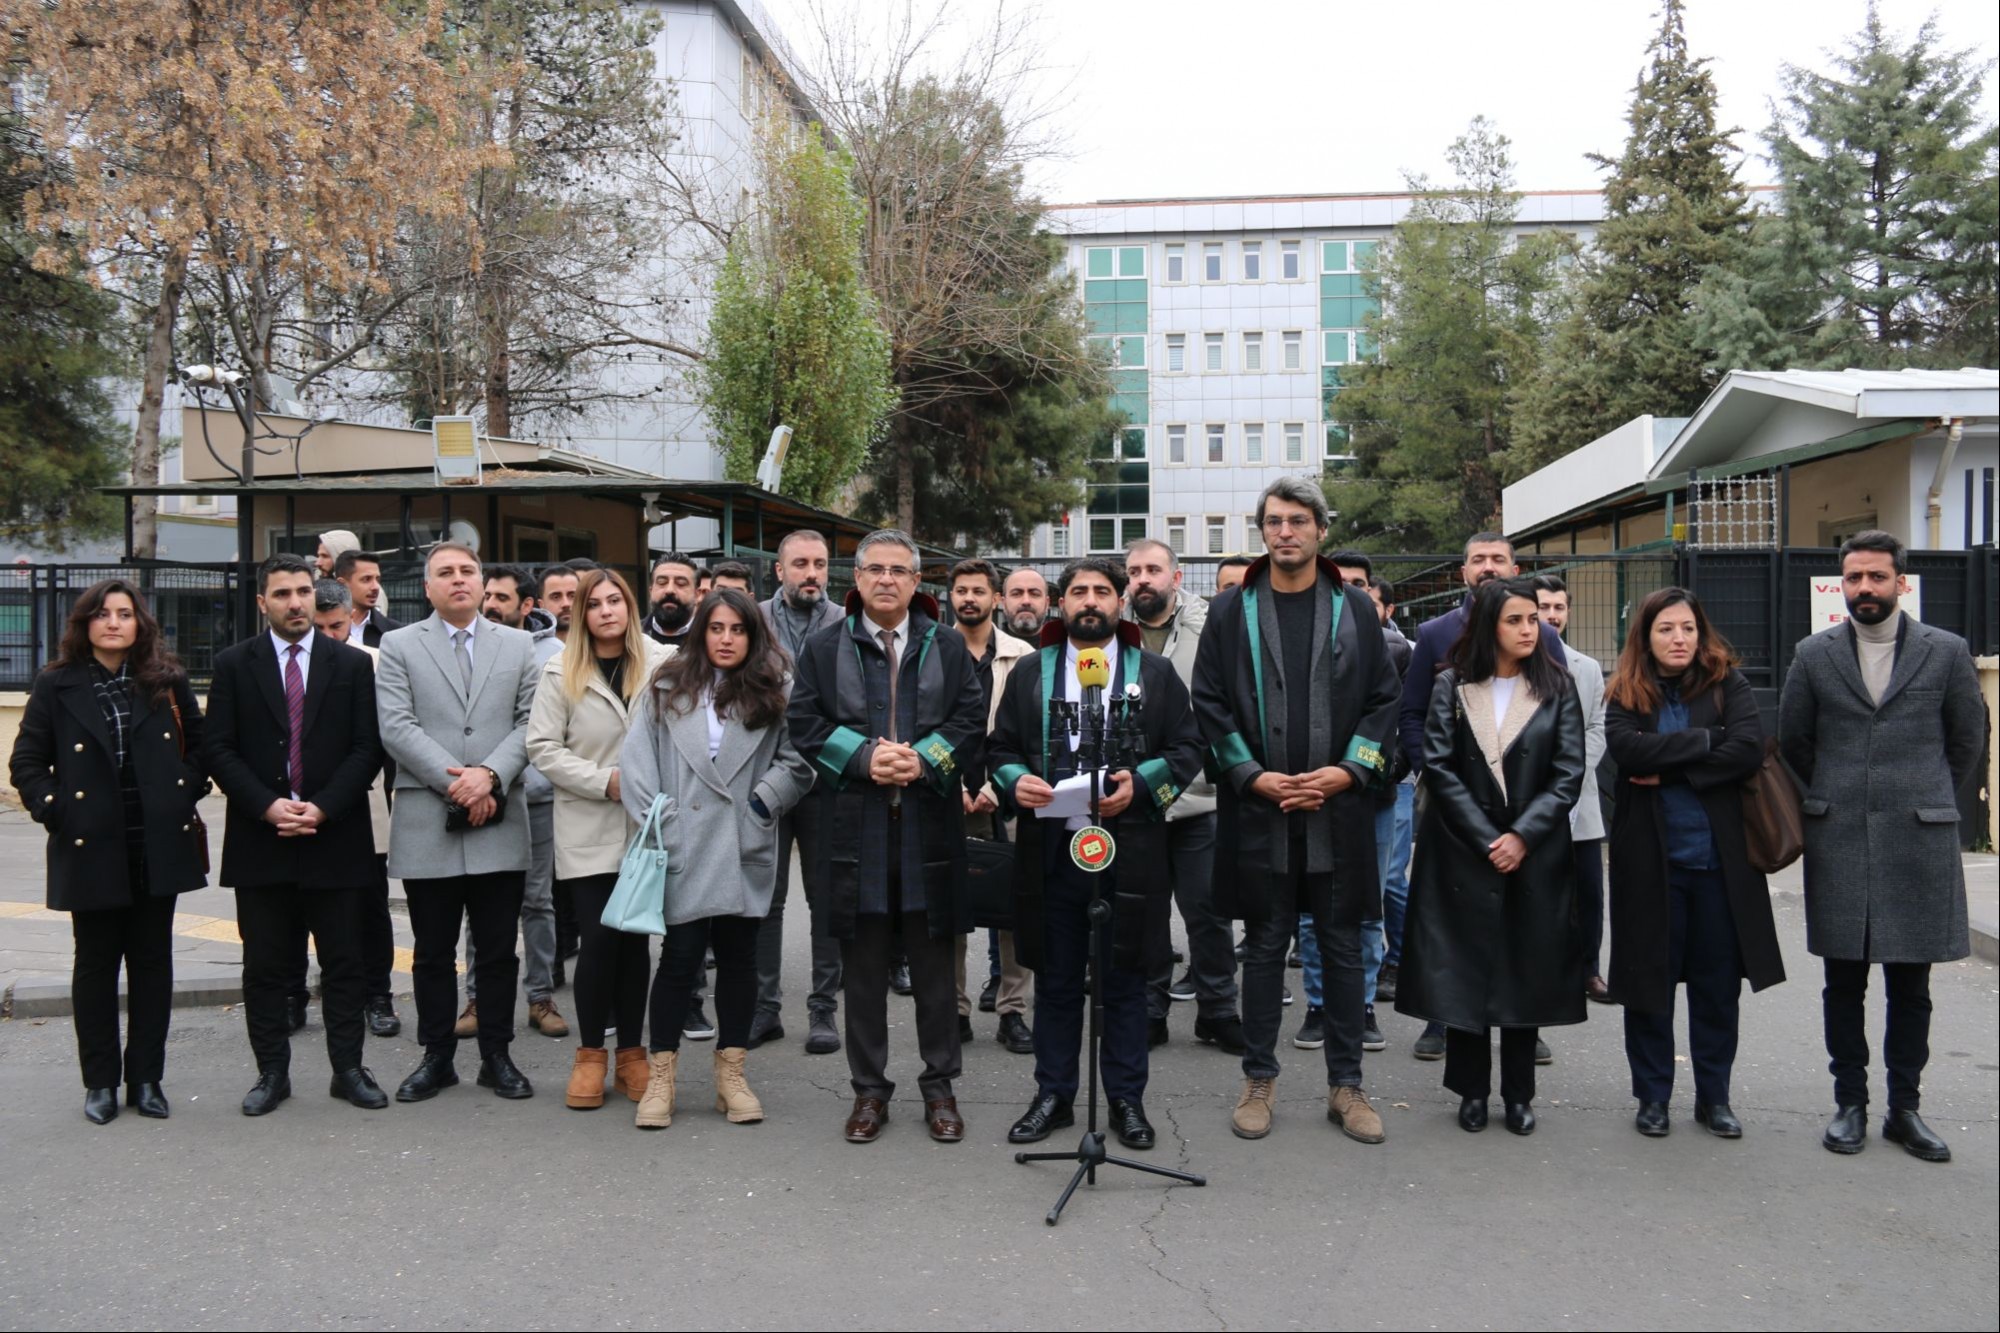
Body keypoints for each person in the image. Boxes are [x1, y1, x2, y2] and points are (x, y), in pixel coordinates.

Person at [1192, 477, 1400, 1145]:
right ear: (1263, 531)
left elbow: (1383, 700)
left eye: (1299, 520)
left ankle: (1347, 1084)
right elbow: (1210, 701)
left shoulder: (1355, 609)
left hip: (1336, 813)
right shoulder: (1233, 610)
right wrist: (1253, 776)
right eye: (1275, 521)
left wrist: (1346, 771)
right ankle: (1259, 1078)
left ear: (1320, 530)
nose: (1287, 531)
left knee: (1341, 949)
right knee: (1262, 948)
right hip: (1260, 812)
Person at [1779, 530, 1985, 1163]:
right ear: (1841, 585)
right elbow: (1794, 741)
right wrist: (1836, 797)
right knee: (1843, 983)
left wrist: (1923, 797)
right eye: (1853, 578)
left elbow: (1966, 740)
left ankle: (1905, 1110)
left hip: (1917, 839)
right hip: (1838, 834)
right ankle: (1850, 1105)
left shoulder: (1945, 652)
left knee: (1910, 986)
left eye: (1875, 577)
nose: (1864, 588)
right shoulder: (1814, 654)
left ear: (1902, 583)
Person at [992, 558, 1205, 1150]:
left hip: (1130, 847)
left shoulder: (1156, 674)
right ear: (1062, 604)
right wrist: (1016, 782)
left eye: (1102, 592)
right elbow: (1000, 747)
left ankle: (1126, 1099)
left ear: (1120, 603)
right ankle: (1055, 1094)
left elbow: (1188, 746)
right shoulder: (1034, 672)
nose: (1090, 601)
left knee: (1127, 978)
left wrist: (1142, 784)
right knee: (1057, 977)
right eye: (1079, 591)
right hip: (1051, 846)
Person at [787, 528, 987, 1145]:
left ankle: (940, 1087)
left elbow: (970, 717)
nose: (886, 580)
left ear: (916, 580)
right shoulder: (825, 646)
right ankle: (869, 1091)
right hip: (855, 826)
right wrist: (865, 758)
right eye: (875, 569)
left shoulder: (946, 644)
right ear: (858, 576)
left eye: (899, 571)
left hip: (928, 824)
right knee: (865, 970)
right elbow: (806, 720)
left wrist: (923, 760)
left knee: (933, 969)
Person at [8, 579, 208, 1124]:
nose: (114, 622)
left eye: (124, 613)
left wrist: (182, 792)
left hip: (156, 843)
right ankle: (100, 1081)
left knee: (151, 964)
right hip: (90, 843)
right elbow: (26, 761)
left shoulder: (165, 681)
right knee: (95, 966)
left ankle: (146, 1079)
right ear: (85, 623)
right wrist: (57, 807)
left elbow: (201, 745)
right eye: (102, 613)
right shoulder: (57, 683)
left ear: (140, 622)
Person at [1398, 579, 1587, 1136]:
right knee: (1466, 973)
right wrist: (1487, 837)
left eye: (1534, 619)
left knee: (1523, 973)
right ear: (1488, 627)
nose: (1530, 629)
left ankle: (1519, 1094)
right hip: (1461, 850)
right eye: (1516, 620)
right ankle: (1471, 1091)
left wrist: (1522, 836)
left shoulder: (1557, 685)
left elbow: (1568, 772)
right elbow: (1438, 764)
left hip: (1535, 854)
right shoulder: (1451, 685)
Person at [619, 589, 814, 1129]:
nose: (726, 639)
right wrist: (661, 820)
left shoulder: (775, 690)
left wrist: (760, 802)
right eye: (717, 628)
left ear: (753, 636)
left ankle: (732, 1073)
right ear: (700, 631)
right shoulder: (665, 687)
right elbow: (636, 765)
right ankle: (662, 1075)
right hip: (681, 840)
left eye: (738, 630)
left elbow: (799, 760)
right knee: (679, 959)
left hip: (742, 840)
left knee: (739, 958)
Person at [205, 555, 390, 1115]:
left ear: (316, 596)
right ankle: (271, 1075)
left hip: (335, 837)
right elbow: (218, 748)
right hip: (262, 840)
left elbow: (368, 748)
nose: (295, 602)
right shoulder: (235, 665)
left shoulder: (352, 665)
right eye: (282, 593)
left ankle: (348, 1070)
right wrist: (266, 806)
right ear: (262, 602)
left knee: (344, 963)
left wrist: (324, 808)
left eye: (303, 591)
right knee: (265, 967)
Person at [1605, 588, 1784, 1140]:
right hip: (1650, 864)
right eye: (1666, 629)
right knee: (1648, 988)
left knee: (1716, 988)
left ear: (1700, 633)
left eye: (1687, 628)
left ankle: (1715, 1098)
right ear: (1647, 637)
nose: (1679, 638)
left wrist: (1677, 767)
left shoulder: (1728, 684)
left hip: (1719, 866)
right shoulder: (1626, 692)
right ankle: (1653, 1097)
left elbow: (1748, 749)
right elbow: (1628, 751)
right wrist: (1710, 741)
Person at [375, 542, 542, 1103]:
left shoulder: (520, 645)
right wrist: (458, 783)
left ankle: (497, 1056)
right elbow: (396, 726)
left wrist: (489, 777)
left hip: (499, 815)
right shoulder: (398, 644)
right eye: (445, 573)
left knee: (497, 950)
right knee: (431, 950)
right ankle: (437, 1056)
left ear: (482, 581)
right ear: (428, 588)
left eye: (468, 571)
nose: (458, 580)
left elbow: (530, 722)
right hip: (428, 815)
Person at [526, 569, 670, 1110]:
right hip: (588, 821)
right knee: (599, 941)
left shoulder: (662, 662)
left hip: (648, 826)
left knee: (635, 942)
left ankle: (633, 1054)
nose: (607, 611)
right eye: (595, 604)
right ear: (581, 614)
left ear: (630, 607)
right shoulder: (559, 668)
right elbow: (542, 746)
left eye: (616, 601)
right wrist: (604, 781)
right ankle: (591, 1055)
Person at [1124, 539, 1241, 1054]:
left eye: (1153, 569)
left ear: (1176, 576)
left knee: (1208, 911)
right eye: (1134, 571)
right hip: (1135, 796)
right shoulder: (1115, 631)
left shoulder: (1210, 624)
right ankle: (1150, 1010)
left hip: (1200, 794)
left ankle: (1218, 1010)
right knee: (1145, 912)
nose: (1142, 579)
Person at [453, 565, 569, 1041]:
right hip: (480, 794)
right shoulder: (471, 647)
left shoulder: (557, 654)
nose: (491, 605)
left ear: (527, 605)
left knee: (537, 901)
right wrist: (480, 783)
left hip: (536, 797)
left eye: (503, 597)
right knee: (477, 903)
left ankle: (540, 996)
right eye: (489, 596)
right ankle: (477, 998)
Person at [753, 529, 847, 1053]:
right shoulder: (755, 620)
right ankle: (765, 1010)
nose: (812, 573)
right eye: (801, 564)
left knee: (826, 899)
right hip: (766, 778)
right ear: (780, 570)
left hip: (827, 776)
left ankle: (823, 1011)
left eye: (819, 564)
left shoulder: (844, 623)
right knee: (766, 898)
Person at [945, 557, 1035, 1053]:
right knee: (951, 909)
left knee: (1014, 910)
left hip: (1008, 797)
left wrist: (999, 787)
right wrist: (952, 781)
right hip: (946, 796)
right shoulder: (932, 649)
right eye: (961, 590)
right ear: (950, 596)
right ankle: (954, 1011)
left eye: (979, 590)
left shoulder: (1024, 655)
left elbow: (1027, 732)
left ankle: (1013, 1012)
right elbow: (923, 727)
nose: (969, 599)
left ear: (995, 598)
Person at [310, 580, 400, 1038]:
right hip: (308, 803)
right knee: (309, 906)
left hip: (368, 800)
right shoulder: (295, 662)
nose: (329, 636)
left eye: (337, 626)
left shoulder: (376, 661)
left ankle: (378, 994)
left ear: (352, 619)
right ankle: (303, 991)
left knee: (371, 903)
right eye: (319, 626)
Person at [1532, 575, 1611, 1003]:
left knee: (1588, 893)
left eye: (1559, 608)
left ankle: (1589, 970)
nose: (1552, 616)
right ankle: (1542, 970)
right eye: (1544, 608)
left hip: (1580, 799)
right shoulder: (1515, 665)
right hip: (1527, 801)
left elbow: (1597, 726)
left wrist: (1573, 774)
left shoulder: (1588, 668)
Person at [1364, 573, 1416, 1011]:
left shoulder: (1404, 650)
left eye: (1365, 590)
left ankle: (1397, 960)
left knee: (1391, 881)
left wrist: (1389, 771)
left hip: (1390, 783)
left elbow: (1407, 722)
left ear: (1388, 609)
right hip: (1338, 786)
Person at [538, 563, 586, 964]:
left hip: (593, 788)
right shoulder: (536, 655)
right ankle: (553, 963)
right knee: (547, 886)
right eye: (556, 596)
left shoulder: (606, 648)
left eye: (573, 595)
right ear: (540, 603)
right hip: (542, 785)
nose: (566, 604)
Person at [335, 548, 400, 648]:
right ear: (342, 584)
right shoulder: (319, 629)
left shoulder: (395, 632)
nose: (375, 587)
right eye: (366, 579)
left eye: (377, 579)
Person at [644, 553, 700, 646]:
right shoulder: (631, 637)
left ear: (696, 595)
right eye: (662, 582)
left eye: (681, 583)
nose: (670, 590)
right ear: (651, 591)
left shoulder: (710, 641)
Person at [1000, 566, 1051, 642]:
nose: (1026, 601)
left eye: (1035, 594)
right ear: (1004, 603)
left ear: (1047, 603)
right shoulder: (985, 650)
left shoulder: (1067, 651)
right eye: (1016, 594)